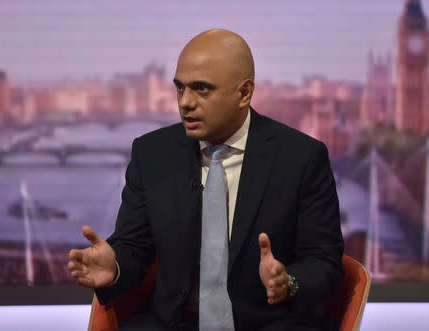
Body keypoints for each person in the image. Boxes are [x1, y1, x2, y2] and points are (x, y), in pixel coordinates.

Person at [68, 29, 344, 331]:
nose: (185, 102)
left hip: (269, 321)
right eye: (180, 88)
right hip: (173, 322)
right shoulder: (152, 154)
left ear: (244, 92)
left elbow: (324, 261)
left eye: (201, 89)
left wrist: (288, 282)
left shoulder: (301, 158)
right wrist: (116, 266)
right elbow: (134, 246)